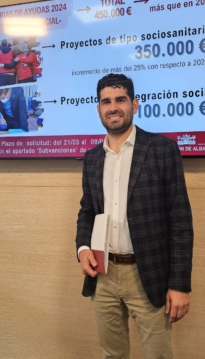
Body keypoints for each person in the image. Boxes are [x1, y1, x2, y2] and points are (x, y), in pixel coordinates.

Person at [76, 73, 193, 359]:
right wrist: (83, 249)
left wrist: (179, 285)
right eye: (106, 102)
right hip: (103, 273)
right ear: (98, 109)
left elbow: (180, 220)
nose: (113, 107)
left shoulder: (162, 149)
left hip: (148, 274)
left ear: (134, 104)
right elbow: (87, 211)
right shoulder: (92, 157)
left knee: (158, 356)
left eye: (120, 100)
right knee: (112, 355)